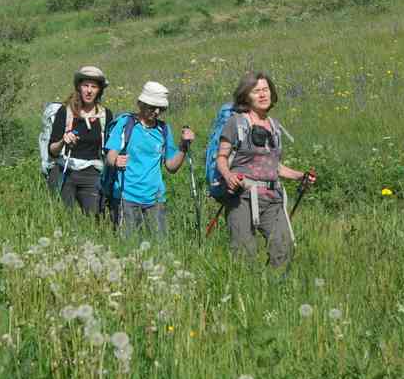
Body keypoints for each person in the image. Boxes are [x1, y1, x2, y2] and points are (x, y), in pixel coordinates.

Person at [215, 72, 314, 268]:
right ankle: (246, 295)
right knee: (244, 255)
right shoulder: (236, 123)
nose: (262, 95)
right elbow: (221, 158)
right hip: (241, 197)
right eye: (256, 91)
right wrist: (228, 175)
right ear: (246, 96)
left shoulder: (275, 126)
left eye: (266, 90)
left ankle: (276, 291)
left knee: (284, 249)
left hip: (272, 198)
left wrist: (300, 175)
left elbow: (274, 167)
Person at [104, 81, 194, 237]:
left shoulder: (163, 129)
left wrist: (183, 147)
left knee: (159, 247)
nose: (157, 112)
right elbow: (110, 154)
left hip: (155, 198)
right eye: (152, 107)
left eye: (161, 108)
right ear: (141, 104)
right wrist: (116, 160)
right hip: (127, 196)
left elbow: (171, 166)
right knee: (129, 247)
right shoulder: (126, 123)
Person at [47, 66, 113, 215]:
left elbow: (108, 149)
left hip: (92, 172)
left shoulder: (105, 115)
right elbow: (52, 151)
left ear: (99, 90)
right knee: (62, 218)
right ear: (79, 87)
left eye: (94, 86)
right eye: (85, 85)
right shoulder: (65, 111)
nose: (89, 91)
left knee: (95, 218)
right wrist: (63, 141)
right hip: (64, 170)